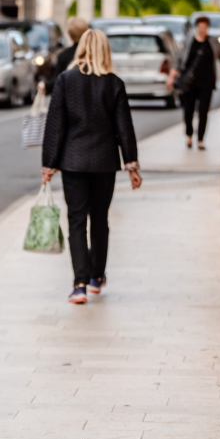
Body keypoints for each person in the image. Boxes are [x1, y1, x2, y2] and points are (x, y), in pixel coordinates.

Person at [41, 29, 141, 305]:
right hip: (105, 163)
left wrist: (49, 164)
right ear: (106, 50)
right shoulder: (114, 83)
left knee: (76, 221)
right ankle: (97, 277)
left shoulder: (66, 80)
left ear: (81, 48)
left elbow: (55, 125)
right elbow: (124, 128)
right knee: (100, 220)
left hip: (73, 162)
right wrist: (132, 165)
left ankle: (79, 285)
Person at [169, 15, 220, 150]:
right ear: (196, 27)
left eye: (204, 27)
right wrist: (172, 76)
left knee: (203, 112)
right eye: (200, 27)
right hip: (190, 83)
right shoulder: (188, 41)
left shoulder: (213, 41)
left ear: (208, 28)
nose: (202, 30)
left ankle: (200, 139)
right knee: (188, 111)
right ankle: (189, 135)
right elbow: (179, 58)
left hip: (207, 82)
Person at [40, 17, 89, 96]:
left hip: (70, 98)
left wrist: (45, 85)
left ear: (69, 34)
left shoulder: (64, 55)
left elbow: (56, 81)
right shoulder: (93, 53)